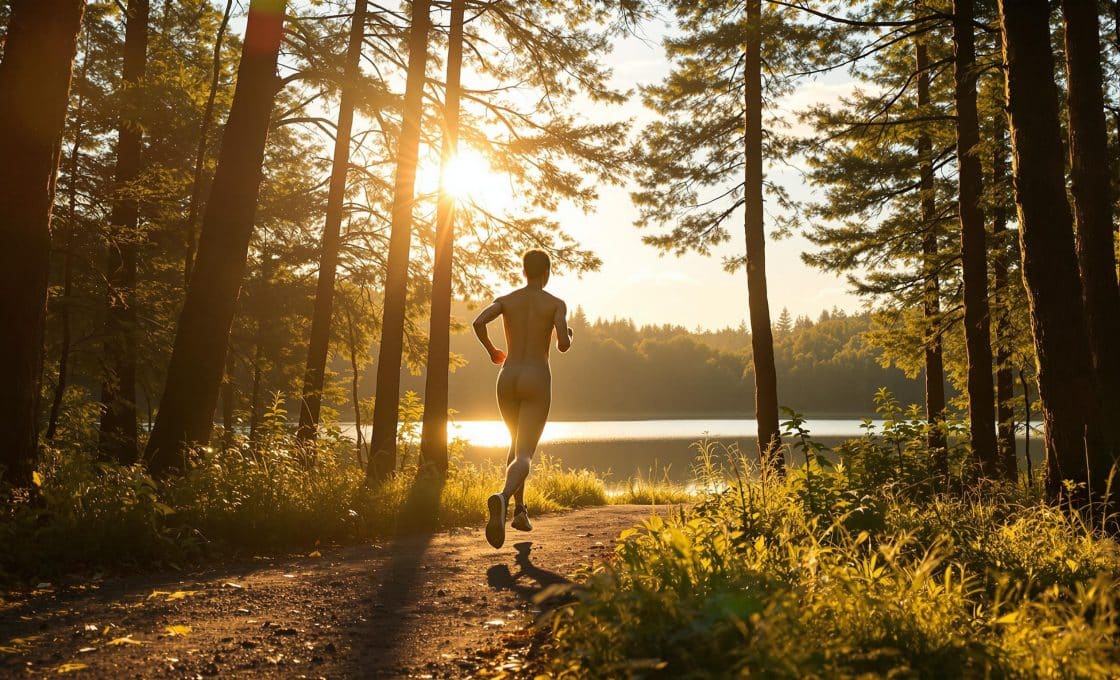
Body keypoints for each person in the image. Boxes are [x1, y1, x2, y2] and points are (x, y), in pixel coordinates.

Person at [473, 249, 573, 549]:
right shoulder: (555, 304)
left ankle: (519, 512)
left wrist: (492, 351)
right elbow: (564, 345)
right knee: (525, 454)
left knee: (515, 445)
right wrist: (568, 332)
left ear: (523, 271)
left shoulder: (507, 300)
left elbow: (478, 322)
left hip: (507, 377)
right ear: (547, 273)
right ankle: (503, 497)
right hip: (536, 379)